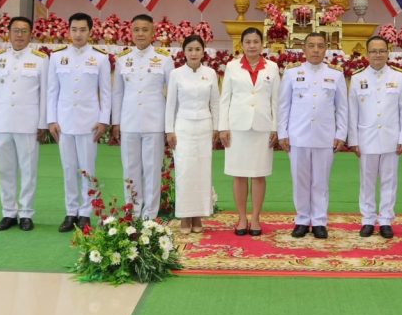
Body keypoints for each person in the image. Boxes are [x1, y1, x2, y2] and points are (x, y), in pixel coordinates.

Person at [278, 31, 348, 239]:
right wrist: (283, 132)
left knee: (320, 181)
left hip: (324, 136)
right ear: (304, 49)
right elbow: (284, 105)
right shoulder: (292, 73)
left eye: (320, 46)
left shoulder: (335, 74)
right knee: (300, 180)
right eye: (311, 45)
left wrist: (341, 134)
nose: (316, 50)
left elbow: (342, 108)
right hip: (298, 135)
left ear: (326, 49)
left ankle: (319, 221)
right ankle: (301, 219)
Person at [48, 12, 111, 233]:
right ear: (69, 30)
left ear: (90, 31)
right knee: (68, 168)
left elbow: (106, 92)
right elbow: (52, 91)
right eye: (74, 29)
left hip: (89, 122)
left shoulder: (100, 58)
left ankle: (86, 213)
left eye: (83, 30)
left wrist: (103, 120)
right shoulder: (57, 57)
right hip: (64, 122)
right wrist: (51, 119)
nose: (78, 34)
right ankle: (71, 212)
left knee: (87, 169)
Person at [0, 16, 48, 232]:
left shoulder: (40, 59)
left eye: (24, 31)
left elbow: (44, 94)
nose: (19, 35)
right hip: (3, 121)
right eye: (15, 31)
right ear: (9, 33)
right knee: (5, 169)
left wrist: (42, 123)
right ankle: (8, 212)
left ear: (31, 34)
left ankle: (26, 213)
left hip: (28, 122)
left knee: (28, 170)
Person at [218, 27, 280, 236]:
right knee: (239, 174)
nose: (252, 46)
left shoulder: (272, 67)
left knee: (259, 174)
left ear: (262, 44)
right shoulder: (232, 67)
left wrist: (275, 127)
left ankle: (255, 218)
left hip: (262, 127)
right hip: (237, 127)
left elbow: (276, 100)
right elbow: (225, 98)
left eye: (256, 42)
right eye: (248, 42)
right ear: (242, 45)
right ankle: (242, 217)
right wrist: (223, 127)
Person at [111, 14, 173, 220]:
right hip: (129, 121)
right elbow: (117, 93)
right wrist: (116, 122)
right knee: (130, 169)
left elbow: (172, 94)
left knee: (152, 169)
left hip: (154, 121)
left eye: (145, 30)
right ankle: (133, 211)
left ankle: (149, 215)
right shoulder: (122, 59)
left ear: (153, 32)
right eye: (136, 29)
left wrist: (169, 126)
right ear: (131, 32)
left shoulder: (164, 58)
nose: (140, 34)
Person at [347, 35, 402, 239]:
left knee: (389, 181)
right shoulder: (357, 78)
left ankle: (385, 220)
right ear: (367, 54)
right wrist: (353, 140)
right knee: (367, 181)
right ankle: (367, 219)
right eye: (373, 51)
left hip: (391, 137)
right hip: (366, 137)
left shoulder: (398, 77)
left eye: (382, 51)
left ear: (388, 52)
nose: (378, 55)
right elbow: (352, 111)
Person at [165, 35, 220, 234]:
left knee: (202, 172)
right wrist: (169, 130)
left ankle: (198, 216)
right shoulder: (176, 74)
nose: (194, 53)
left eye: (197, 49)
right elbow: (171, 104)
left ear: (203, 51)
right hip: (183, 127)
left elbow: (215, 103)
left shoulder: (210, 73)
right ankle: (184, 216)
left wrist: (216, 128)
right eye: (190, 49)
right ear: (184, 52)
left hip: (204, 127)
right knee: (184, 171)